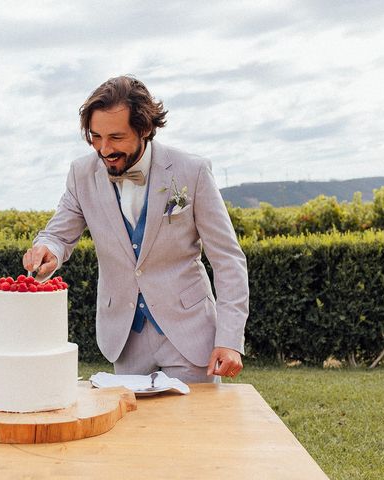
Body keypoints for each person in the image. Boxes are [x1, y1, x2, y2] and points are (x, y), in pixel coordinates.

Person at [23, 76, 248, 383]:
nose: (104, 149)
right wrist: (48, 249)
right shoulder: (81, 173)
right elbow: (58, 235)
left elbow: (228, 259)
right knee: (132, 429)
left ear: (144, 129)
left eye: (116, 137)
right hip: (124, 339)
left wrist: (230, 339)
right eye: (95, 137)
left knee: (193, 430)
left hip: (189, 334)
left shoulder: (191, 172)